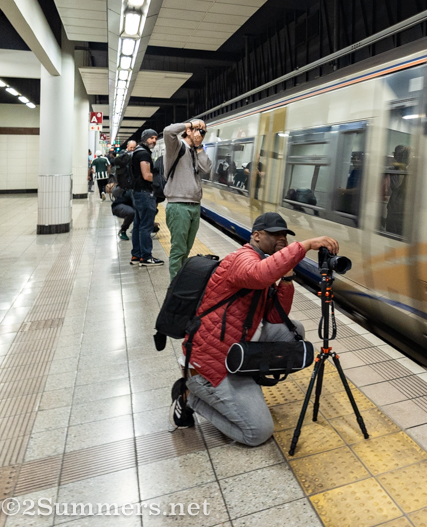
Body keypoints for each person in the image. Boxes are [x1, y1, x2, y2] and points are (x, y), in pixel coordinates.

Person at [171, 212, 339, 445]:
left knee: (293, 332)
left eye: (284, 235)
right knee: (257, 433)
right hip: (211, 365)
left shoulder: (262, 262)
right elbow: (259, 275)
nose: (281, 238)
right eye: (274, 234)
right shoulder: (242, 258)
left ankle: (246, 375)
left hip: (236, 348)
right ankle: (190, 396)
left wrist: (287, 279)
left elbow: (274, 316)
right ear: (256, 236)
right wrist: (306, 245)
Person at [163, 119, 212, 281]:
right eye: (197, 129)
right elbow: (168, 131)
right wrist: (191, 124)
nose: (200, 133)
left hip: (194, 206)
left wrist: (199, 146)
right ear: (189, 130)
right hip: (178, 206)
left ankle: (181, 282)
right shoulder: (177, 146)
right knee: (178, 251)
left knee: (186, 250)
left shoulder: (195, 150)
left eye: (203, 131)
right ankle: (174, 289)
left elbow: (206, 169)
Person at [130, 129, 163, 267]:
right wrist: (162, 181)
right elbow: (146, 175)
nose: (154, 140)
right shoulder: (143, 153)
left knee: (138, 225)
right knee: (146, 226)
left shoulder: (137, 151)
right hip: (144, 193)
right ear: (145, 139)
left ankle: (136, 255)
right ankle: (146, 257)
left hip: (137, 192)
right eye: (151, 138)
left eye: (155, 138)